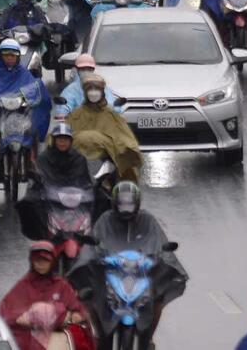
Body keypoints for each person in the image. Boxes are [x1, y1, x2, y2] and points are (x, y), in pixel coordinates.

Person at [72, 183, 186, 346]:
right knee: (89, 295)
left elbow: (159, 241)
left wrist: (158, 254)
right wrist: (96, 255)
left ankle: (149, 338)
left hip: (140, 273)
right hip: (112, 273)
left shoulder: (148, 220)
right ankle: (98, 332)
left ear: (137, 204)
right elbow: (93, 243)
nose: (126, 208)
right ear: (115, 203)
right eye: (122, 204)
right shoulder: (105, 220)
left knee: (158, 297)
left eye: (129, 204)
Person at [62, 75, 141, 183]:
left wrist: (123, 149)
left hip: (106, 162)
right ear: (85, 92)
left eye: (96, 89)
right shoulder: (76, 115)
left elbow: (125, 140)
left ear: (102, 92)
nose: (93, 93)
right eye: (90, 89)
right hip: (76, 163)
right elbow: (62, 136)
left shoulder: (112, 115)